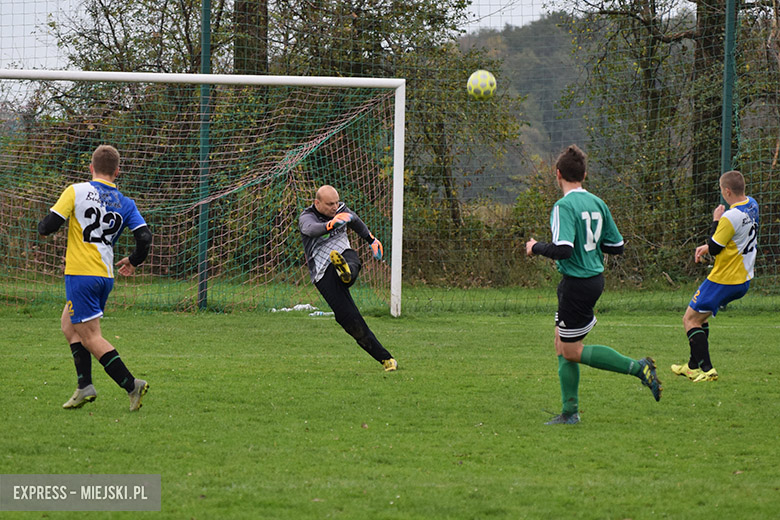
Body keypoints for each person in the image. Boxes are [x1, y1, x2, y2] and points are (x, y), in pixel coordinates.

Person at [525, 145, 662, 425]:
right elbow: (617, 246)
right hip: (588, 280)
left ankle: (638, 368)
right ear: (584, 175)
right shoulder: (597, 203)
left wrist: (534, 247)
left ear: (558, 174)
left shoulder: (563, 206)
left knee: (571, 351)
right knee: (561, 342)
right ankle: (569, 411)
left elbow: (563, 249)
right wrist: (591, 247)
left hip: (578, 284)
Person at [37, 144, 153, 411]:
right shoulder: (126, 203)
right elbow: (145, 238)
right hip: (104, 275)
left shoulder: (76, 190)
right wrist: (133, 261)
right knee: (69, 325)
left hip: (81, 275)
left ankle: (131, 384)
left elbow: (49, 226)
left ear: (91, 168)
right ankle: (84, 386)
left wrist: (43, 228)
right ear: (117, 171)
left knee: (91, 337)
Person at [672, 170, 759, 383]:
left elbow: (714, 248)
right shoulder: (752, 205)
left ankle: (707, 369)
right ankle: (692, 366)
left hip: (724, 279)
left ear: (727, 191)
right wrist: (710, 245)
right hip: (743, 278)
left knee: (690, 319)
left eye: (722, 190)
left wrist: (715, 221)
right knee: (699, 319)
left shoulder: (729, 217)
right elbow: (727, 240)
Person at [299, 185, 398, 372]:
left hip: (343, 255)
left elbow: (354, 220)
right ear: (317, 203)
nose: (335, 207)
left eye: (336, 202)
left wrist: (372, 240)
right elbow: (311, 230)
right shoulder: (307, 217)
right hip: (323, 273)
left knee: (351, 259)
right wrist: (331, 224)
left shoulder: (341, 209)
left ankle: (346, 273)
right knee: (350, 320)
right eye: (329, 204)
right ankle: (386, 359)